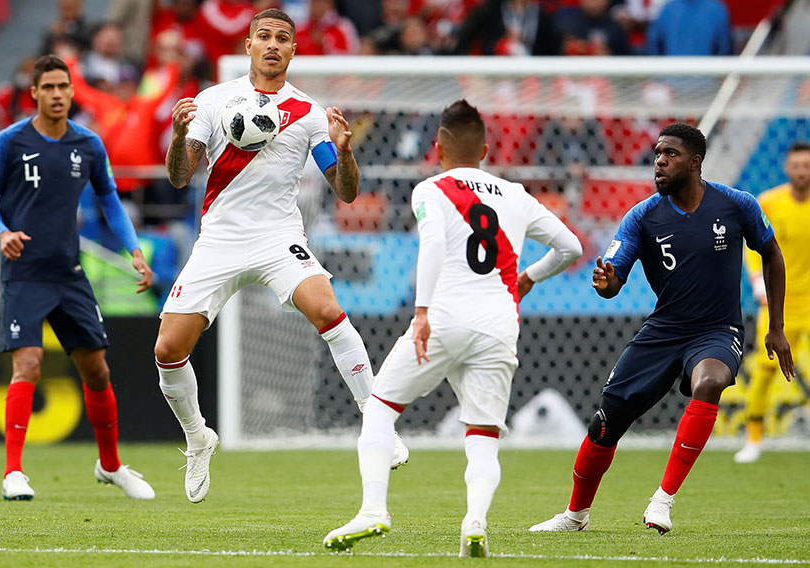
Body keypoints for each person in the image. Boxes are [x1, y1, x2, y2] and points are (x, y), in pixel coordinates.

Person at [158, 8, 408, 504]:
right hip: (221, 238)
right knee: (167, 350)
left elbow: (345, 192)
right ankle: (198, 437)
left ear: (294, 50)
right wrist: (179, 135)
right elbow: (180, 176)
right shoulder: (213, 100)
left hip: (277, 235)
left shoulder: (310, 113)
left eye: (283, 38)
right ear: (248, 45)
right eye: (264, 36)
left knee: (329, 310)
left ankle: (377, 421)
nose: (273, 45)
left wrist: (345, 151)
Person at [323, 100, 583, 557]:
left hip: (444, 316)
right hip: (500, 322)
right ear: (485, 148)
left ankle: (373, 510)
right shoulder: (516, 195)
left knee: (380, 407)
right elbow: (571, 247)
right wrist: (529, 277)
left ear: (437, 146)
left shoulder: (431, 188)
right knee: (483, 436)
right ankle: (475, 522)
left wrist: (421, 312)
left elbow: (435, 245)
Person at [529, 122, 794, 535]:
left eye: (669, 154)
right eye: (656, 154)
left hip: (717, 329)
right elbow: (614, 280)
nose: (659, 162)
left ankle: (662, 500)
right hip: (664, 330)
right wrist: (607, 283)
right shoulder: (642, 217)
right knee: (604, 423)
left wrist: (775, 325)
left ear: (695, 162)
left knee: (711, 381)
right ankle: (575, 515)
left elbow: (772, 256)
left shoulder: (736, 205)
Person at [0, 54, 156, 501]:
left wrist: (134, 249)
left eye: (64, 87)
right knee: (29, 364)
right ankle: (13, 472)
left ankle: (110, 466)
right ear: (33, 92)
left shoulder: (89, 145)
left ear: (73, 91)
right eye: (48, 87)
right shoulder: (9, 141)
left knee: (97, 371)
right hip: (24, 274)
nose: (57, 94)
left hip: (69, 274)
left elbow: (111, 201)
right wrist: (2, 234)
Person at [735, 142, 810, 463]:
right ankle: (753, 440)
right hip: (779, 304)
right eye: (796, 166)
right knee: (764, 371)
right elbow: (753, 246)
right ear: (786, 168)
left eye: (806, 165)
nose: (802, 172)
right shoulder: (770, 202)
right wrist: (757, 281)